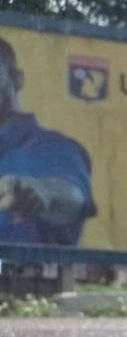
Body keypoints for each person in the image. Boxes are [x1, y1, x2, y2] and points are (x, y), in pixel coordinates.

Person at [0, 33, 97, 246]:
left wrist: (40, 193)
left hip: (25, 279)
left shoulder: (53, 148)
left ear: (17, 79)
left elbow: (72, 197)